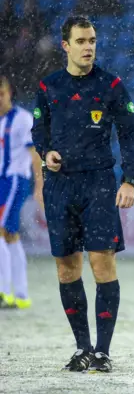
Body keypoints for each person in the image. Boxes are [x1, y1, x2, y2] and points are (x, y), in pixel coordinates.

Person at [31, 16, 134, 373]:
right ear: (66, 45)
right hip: (60, 184)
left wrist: (130, 180)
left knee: (101, 262)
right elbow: (38, 130)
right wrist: (46, 153)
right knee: (66, 268)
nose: (88, 46)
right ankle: (82, 348)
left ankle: (103, 351)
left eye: (91, 40)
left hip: (99, 182)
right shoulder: (49, 87)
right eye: (80, 41)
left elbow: (129, 133)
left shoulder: (111, 85)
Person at [0, 76, 44, 309]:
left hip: (14, 180)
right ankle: (22, 294)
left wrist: (39, 186)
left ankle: (3, 291)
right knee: (10, 235)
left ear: (10, 93)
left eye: (1, 94)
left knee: (1, 231)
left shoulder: (22, 119)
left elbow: (34, 154)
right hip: (2, 181)